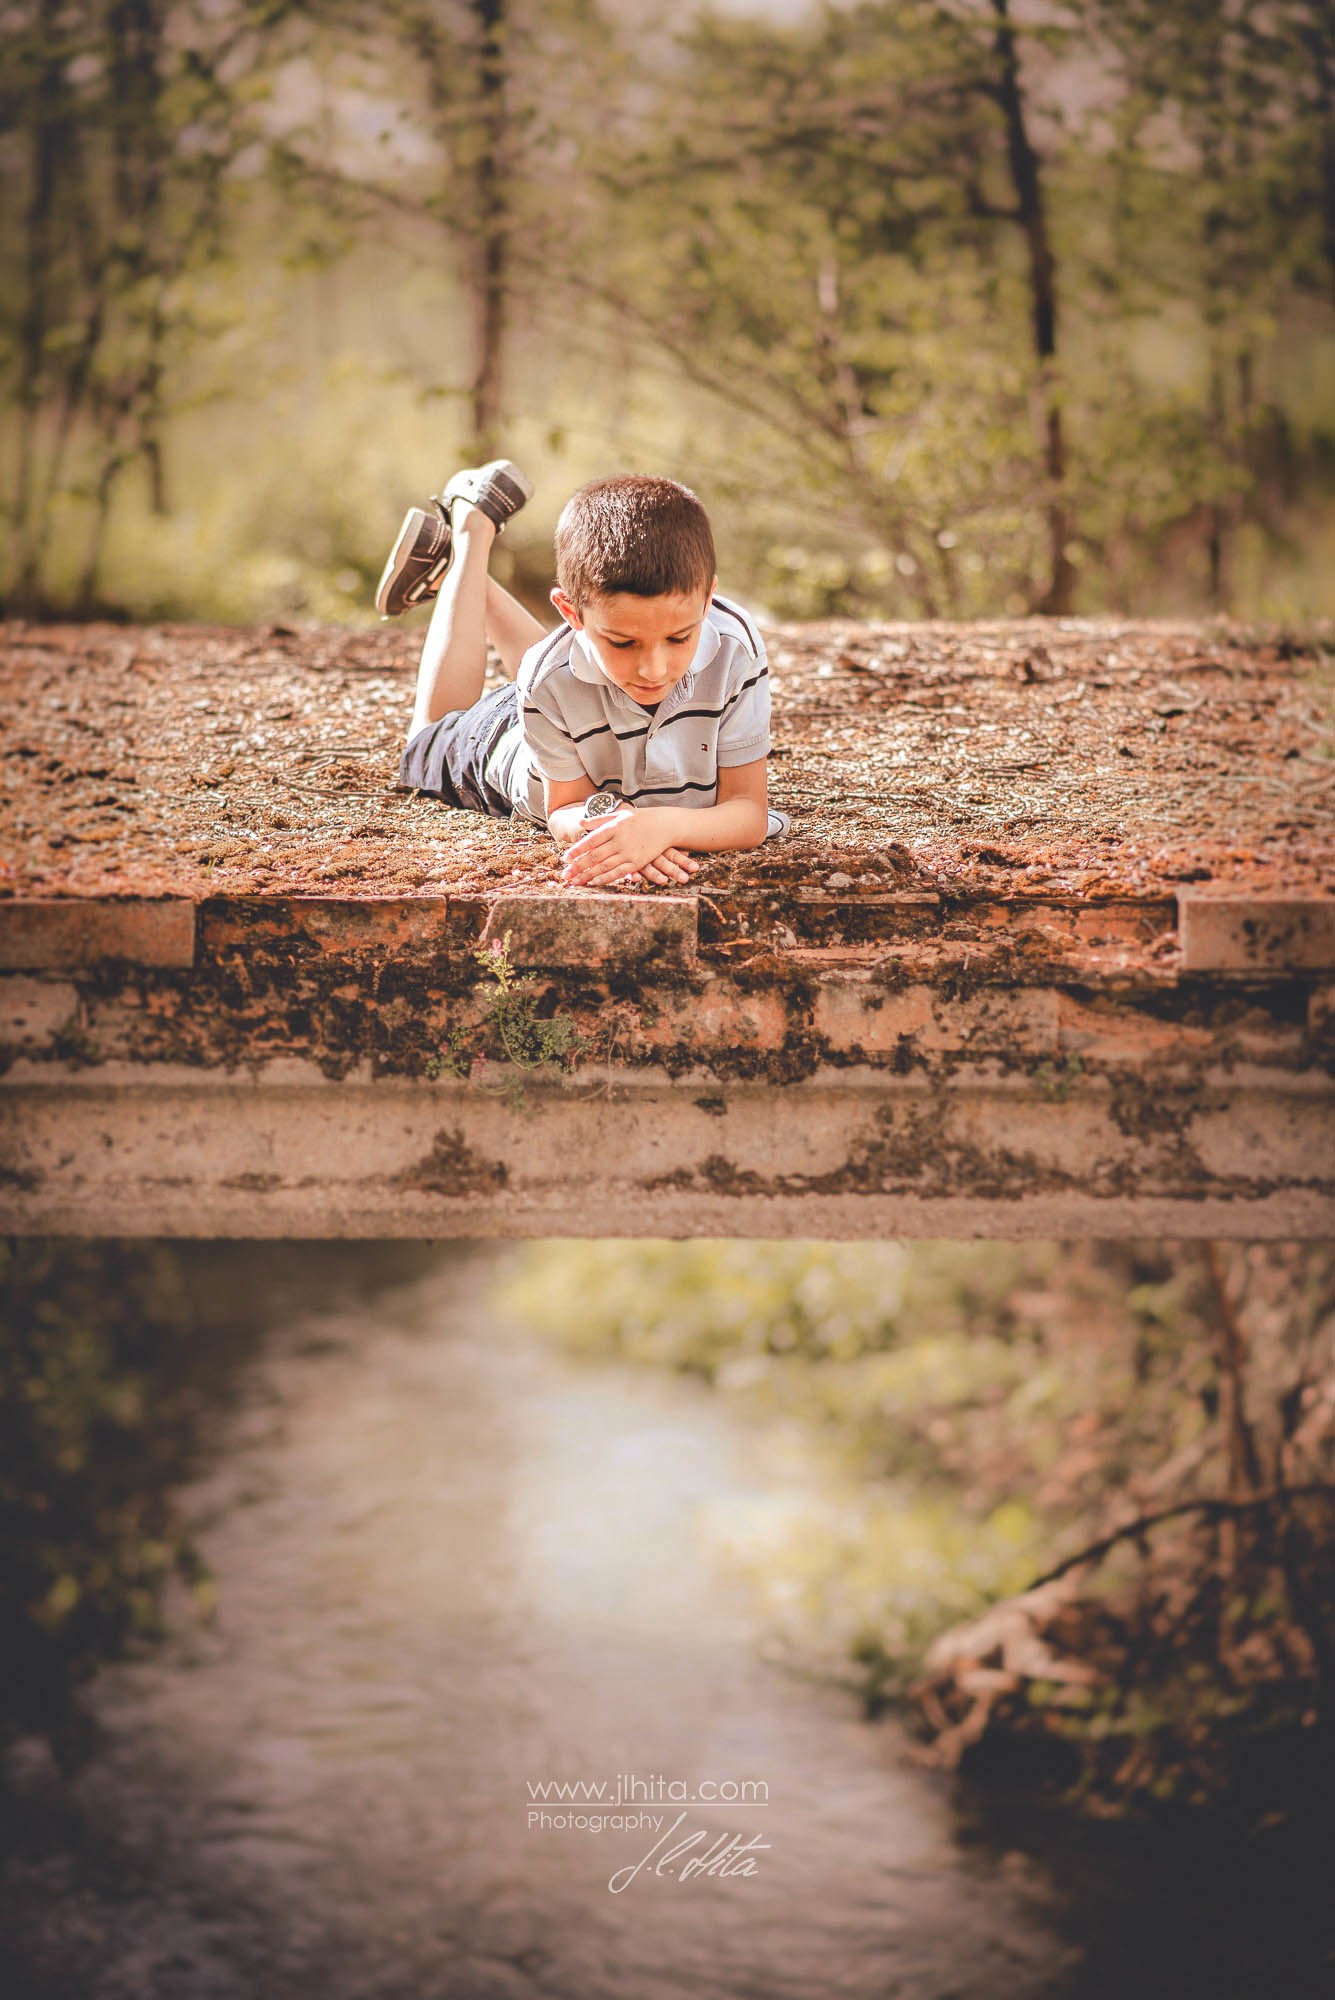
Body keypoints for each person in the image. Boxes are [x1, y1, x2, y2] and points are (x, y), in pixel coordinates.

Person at [377, 461, 788, 891]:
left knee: (568, 673)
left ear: (708, 600)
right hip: (507, 743)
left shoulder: (733, 646)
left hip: (574, 706)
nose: (654, 669)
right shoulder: (547, 677)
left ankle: (456, 573)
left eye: (679, 637)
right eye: (623, 643)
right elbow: (565, 809)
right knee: (426, 738)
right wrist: (617, 829)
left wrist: (658, 827)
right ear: (569, 612)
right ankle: (470, 534)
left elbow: (748, 812)